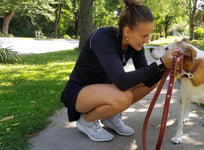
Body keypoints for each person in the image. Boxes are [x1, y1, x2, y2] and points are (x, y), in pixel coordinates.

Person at [60, 0, 179, 142]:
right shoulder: (102, 38)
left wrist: (167, 65)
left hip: (105, 90)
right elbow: (122, 81)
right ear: (127, 31)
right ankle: (86, 122)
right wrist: (160, 62)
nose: (147, 41)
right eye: (143, 36)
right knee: (124, 98)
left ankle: (110, 115)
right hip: (79, 93)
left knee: (151, 83)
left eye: (149, 36)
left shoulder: (135, 45)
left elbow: (146, 77)